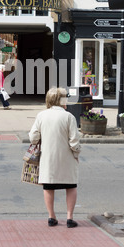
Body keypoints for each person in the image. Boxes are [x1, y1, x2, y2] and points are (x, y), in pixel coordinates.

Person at [29, 87, 81, 228]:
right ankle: (70, 218)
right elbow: (74, 140)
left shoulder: (41, 115)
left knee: (48, 186)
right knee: (70, 186)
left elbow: (33, 137)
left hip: (48, 157)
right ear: (61, 100)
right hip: (66, 157)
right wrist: (76, 154)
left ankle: (51, 217)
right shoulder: (68, 116)